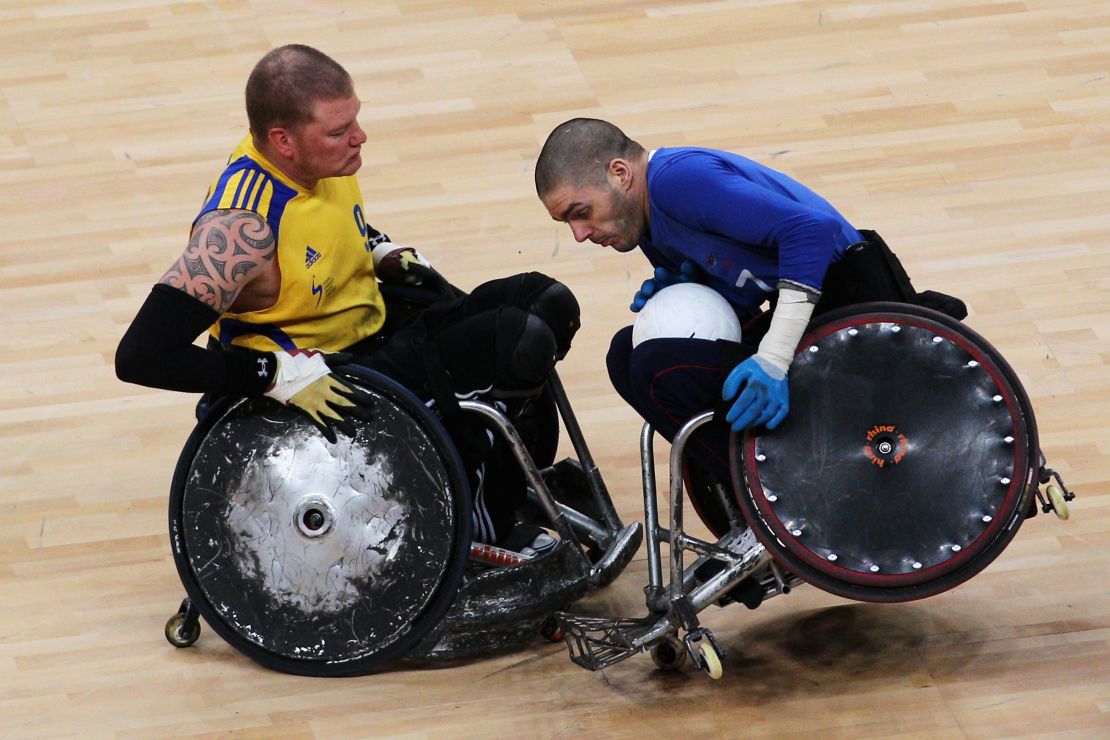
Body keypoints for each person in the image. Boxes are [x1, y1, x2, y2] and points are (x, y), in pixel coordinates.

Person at [116, 45, 580, 556]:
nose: (359, 138)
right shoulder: (239, 230)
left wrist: (375, 248)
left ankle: (508, 478)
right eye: (339, 132)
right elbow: (141, 355)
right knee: (517, 340)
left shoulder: (319, 161)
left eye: (355, 120)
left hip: (380, 329)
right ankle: (475, 520)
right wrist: (270, 376)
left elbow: (321, 228)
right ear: (283, 141)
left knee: (547, 301)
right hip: (331, 378)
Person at [535, 118, 963, 507]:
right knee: (626, 353)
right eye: (568, 223)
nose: (578, 235)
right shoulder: (649, 225)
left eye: (581, 213)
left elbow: (810, 231)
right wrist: (699, 295)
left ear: (620, 174)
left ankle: (783, 502)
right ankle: (760, 499)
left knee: (659, 368)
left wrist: (774, 358)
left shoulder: (677, 182)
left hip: (858, 317)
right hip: (809, 319)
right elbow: (748, 289)